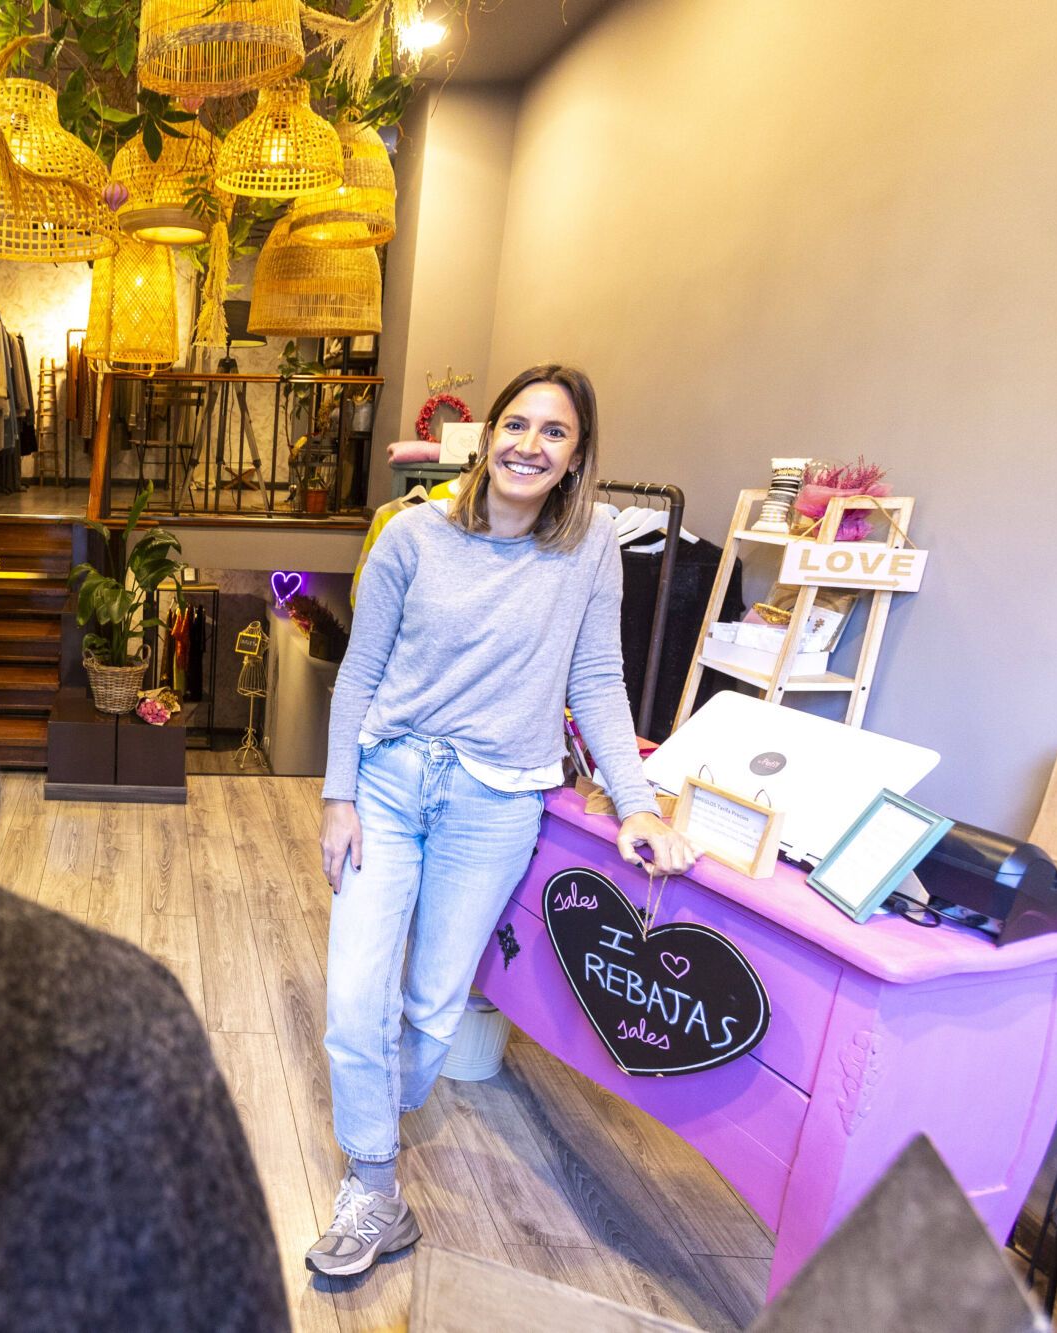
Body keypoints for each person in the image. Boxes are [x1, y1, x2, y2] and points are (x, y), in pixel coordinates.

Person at [307, 364, 699, 1277]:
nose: (528, 444)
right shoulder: (412, 535)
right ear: (488, 437)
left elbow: (597, 678)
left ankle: (381, 1114)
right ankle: (374, 1183)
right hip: (392, 782)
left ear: (576, 455)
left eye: (553, 432)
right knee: (354, 993)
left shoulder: (593, 543)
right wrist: (338, 792)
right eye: (515, 424)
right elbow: (360, 673)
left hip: (496, 801)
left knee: (436, 1008)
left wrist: (636, 804)